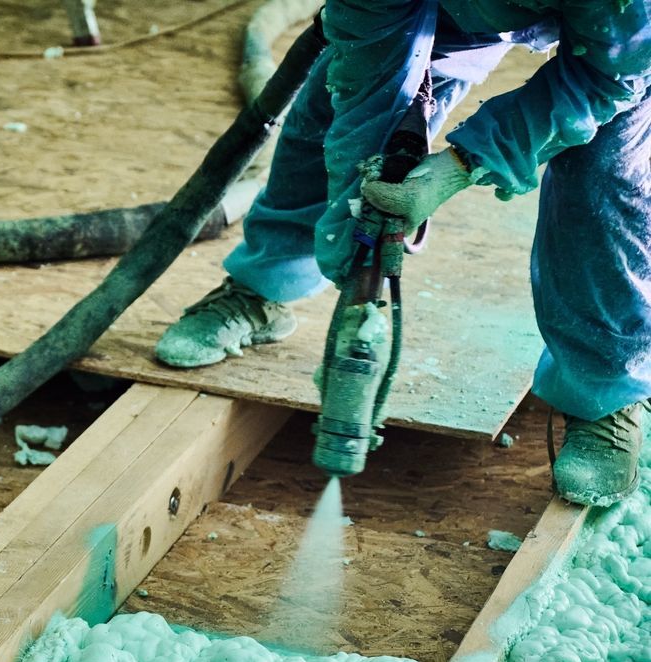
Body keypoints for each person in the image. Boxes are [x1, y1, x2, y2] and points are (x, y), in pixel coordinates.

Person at [154, 1, 651, 507]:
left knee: (605, 171)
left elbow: (608, 77)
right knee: (336, 99)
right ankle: (264, 287)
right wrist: (366, 203)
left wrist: (460, 164)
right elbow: (371, 67)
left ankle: (605, 394)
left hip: (625, 45)